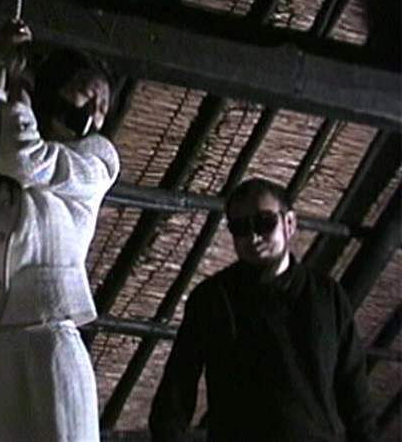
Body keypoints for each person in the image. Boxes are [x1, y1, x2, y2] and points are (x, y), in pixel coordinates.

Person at [0, 19, 120, 441]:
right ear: (56, 86)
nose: (93, 112)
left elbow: (24, 160)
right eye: (86, 93)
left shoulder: (94, 161)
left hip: (46, 336)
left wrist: (22, 90)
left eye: (103, 106)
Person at [148, 178, 378, 442]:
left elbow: (355, 394)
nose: (253, 237)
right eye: (240, 228)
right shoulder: (213, 300)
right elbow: (175, 394)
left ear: (289, 223)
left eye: (264, 222)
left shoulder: (328, 297)